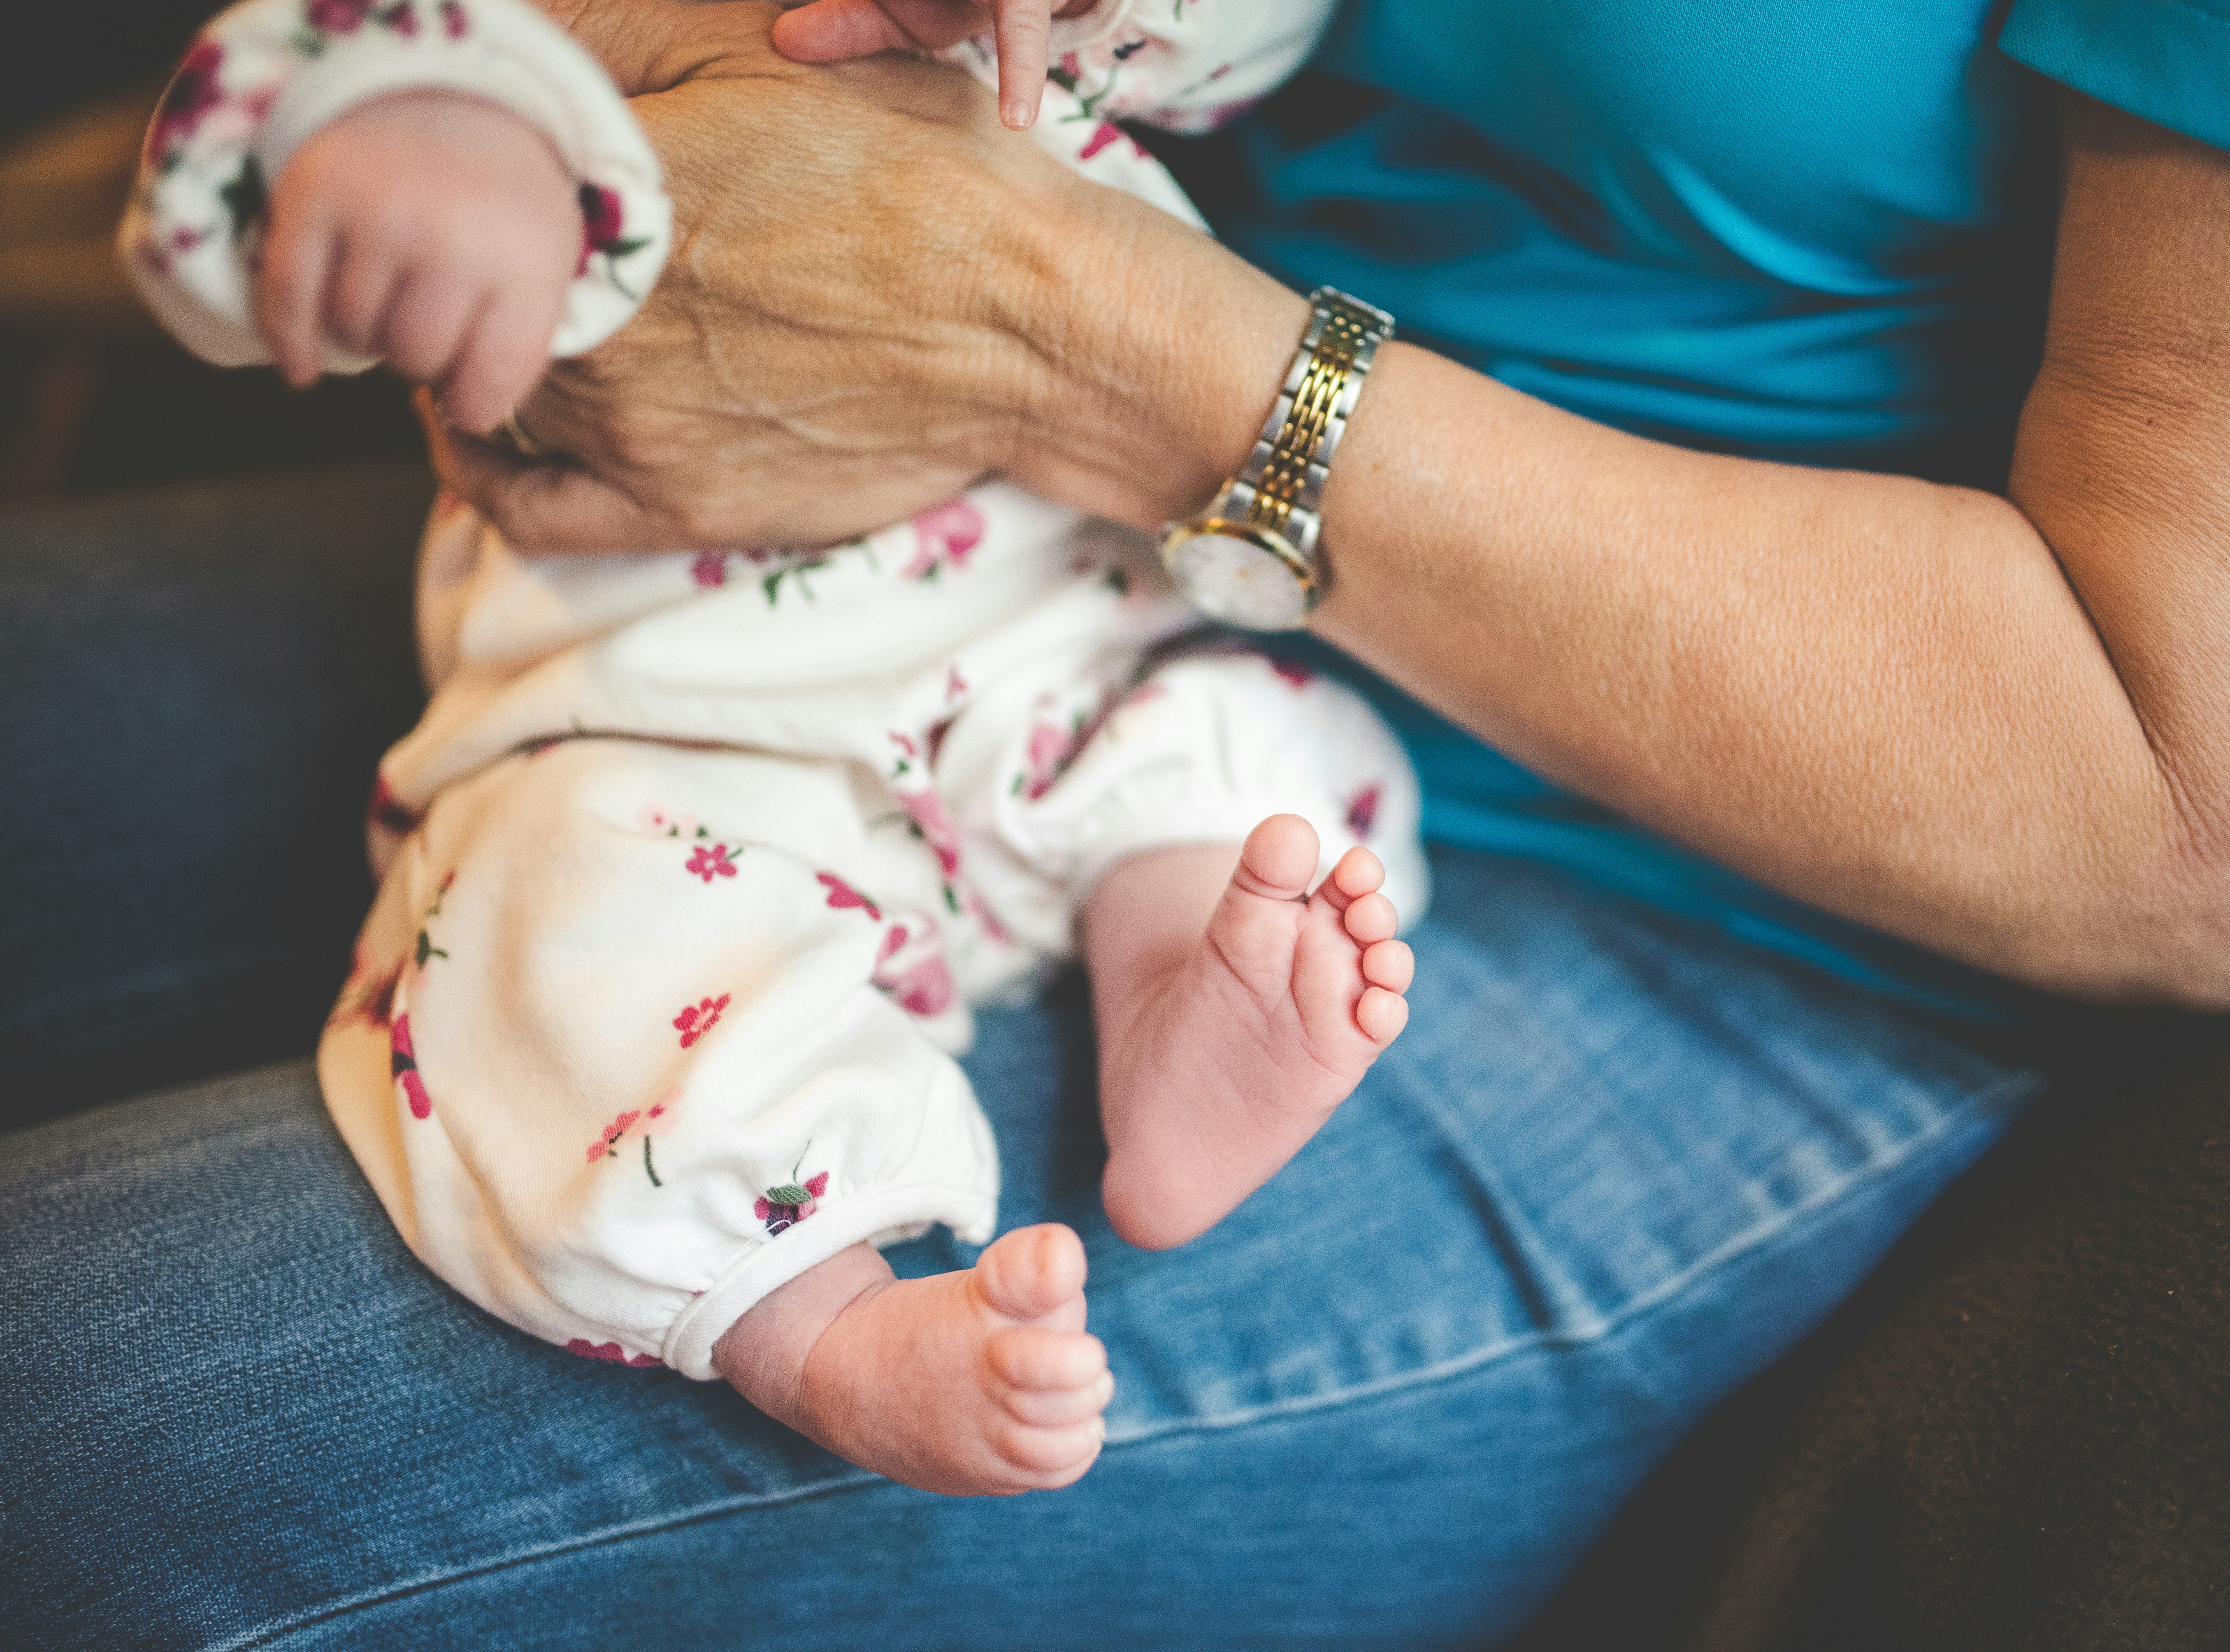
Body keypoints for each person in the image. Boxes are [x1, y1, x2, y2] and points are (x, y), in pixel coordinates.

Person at [4, 0, 2230, 1643]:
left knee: (75, 1404)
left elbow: (2203, 811)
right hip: (852, 549)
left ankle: (827, 1270)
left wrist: (1069, 329)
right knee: (531, 831)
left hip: (1628, 853)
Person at [118, 0, 1424, 1499]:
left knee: (1245, 756)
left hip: (1062, 636)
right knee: (562, 915)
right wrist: (405, 134)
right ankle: (824, 1329)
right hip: (680, 713)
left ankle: (1179, 1002)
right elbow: (250, 120)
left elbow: (1246, 36)